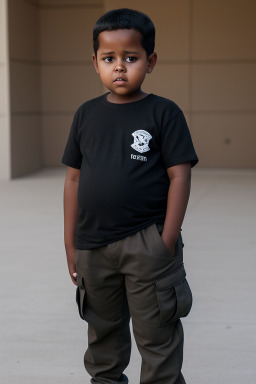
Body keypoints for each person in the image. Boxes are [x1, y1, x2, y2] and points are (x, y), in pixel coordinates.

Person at [62, 8, 198, 384]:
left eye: (131, 58)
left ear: (150, 61)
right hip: (93, 247)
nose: (119, 67)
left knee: (157, 336)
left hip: (147, 241)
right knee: (103, 337)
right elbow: (73, 181)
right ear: (95, 63)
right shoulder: (85, 115)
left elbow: (180, 175)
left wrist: (165, 241)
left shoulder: (163, 113)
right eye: (109, 59)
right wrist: (70, 244)